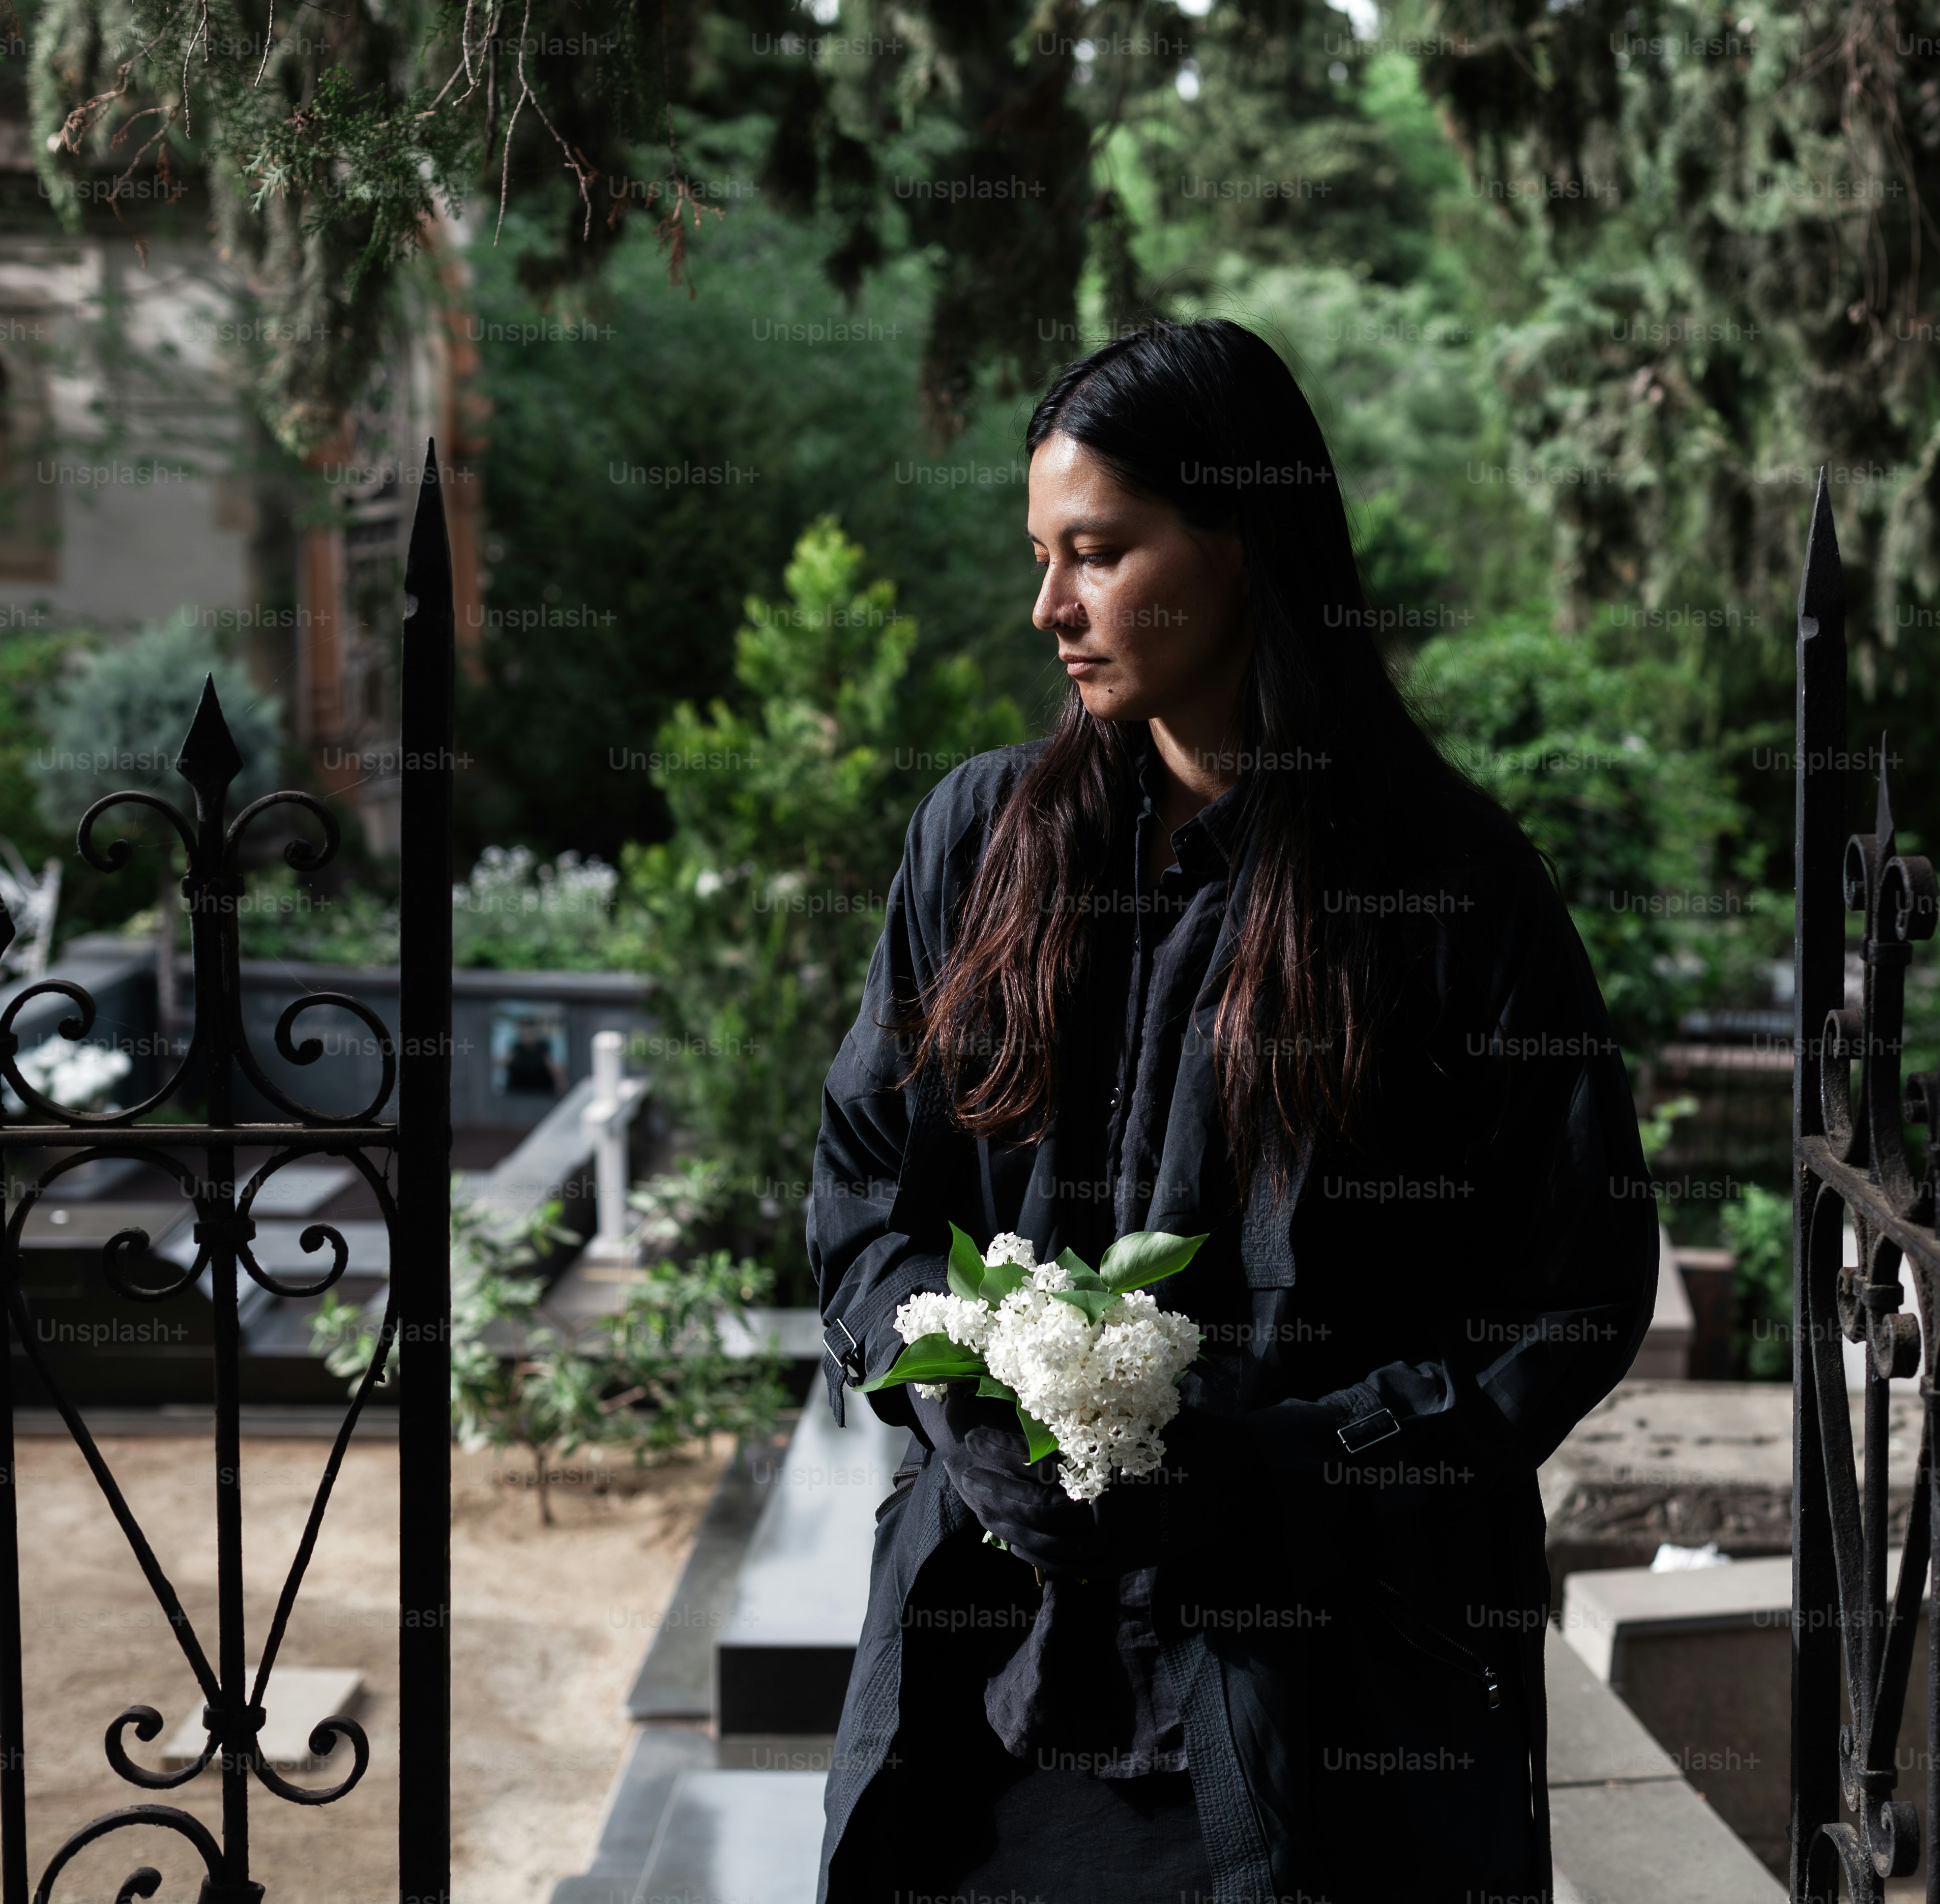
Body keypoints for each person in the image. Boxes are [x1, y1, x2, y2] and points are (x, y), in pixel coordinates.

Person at [809, 317, 1658, 1901]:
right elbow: (865, 1186)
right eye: (1043, 555)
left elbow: (1574, 1296)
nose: (1048, 606)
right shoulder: (981, 842)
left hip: (1314, 1733)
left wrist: (1288, 1466)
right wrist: (951, 1404)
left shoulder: (1448, 892)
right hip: (984, 1709)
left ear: (1244, 541)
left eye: (1099, 553)